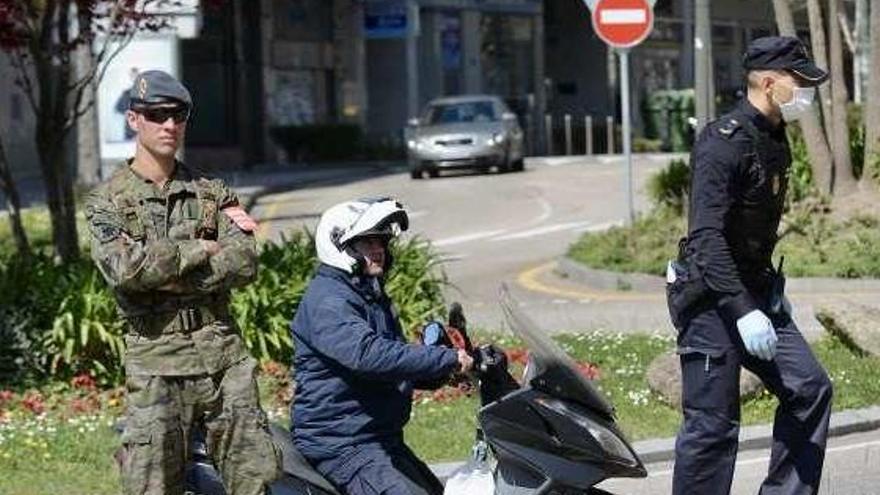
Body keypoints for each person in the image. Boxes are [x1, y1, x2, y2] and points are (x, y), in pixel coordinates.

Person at [85, 70, 280, 495]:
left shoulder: (212, 192)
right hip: (157, 365)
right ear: (135, 120)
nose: (169, 125)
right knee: (152, 486)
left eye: (178, 115)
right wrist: (200, 250)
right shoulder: (107, 201)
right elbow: (127, 272)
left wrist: (168, 272)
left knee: (256, 480)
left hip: (223, 361)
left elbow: (245, 261)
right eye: (156, 115)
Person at [667, 36, 834, 495]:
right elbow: (705, 238)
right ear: (767, 81)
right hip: (711, 299)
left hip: (757, 293)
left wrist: (765, 301)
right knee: (713, 428)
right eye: (798, 81)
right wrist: (743, 310)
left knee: (810, 389)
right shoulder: (723, 142)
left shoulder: (775, 137)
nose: (806, 91)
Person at [291, 197, 474, 495]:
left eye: (381, 242)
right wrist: (445, 359)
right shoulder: (330, 300)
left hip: (377, 438)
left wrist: (445, 369)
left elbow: (392, 363)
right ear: (340, 246)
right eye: (367, 243)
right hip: (342, 445)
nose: (378, 250)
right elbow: (368, 355)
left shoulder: (365, 293)